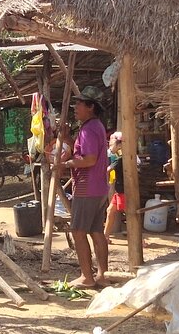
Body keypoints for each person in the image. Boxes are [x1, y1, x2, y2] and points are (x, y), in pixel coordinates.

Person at [64, 86, 110, 288]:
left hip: (86, 187)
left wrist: (66, 164)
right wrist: (67, 139)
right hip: (99, 187)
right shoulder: (96, 127)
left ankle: (86, 277)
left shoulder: (88, 129)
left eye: (79, 104)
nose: (75, 107)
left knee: (78, 231)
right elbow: (84, 152)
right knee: (96, 231)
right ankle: (101, 275)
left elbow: (89, 159)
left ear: (91, 107)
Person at [104, 132, 125, 243]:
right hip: (119, 190)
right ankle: (105, 237)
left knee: (130, 215)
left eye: (112, 144)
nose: (110, 147)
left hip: (124, 191)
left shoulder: (121, 158)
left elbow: (107, 170)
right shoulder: (119, 157)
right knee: (110, 211)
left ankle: (140, 240)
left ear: (119, 145)